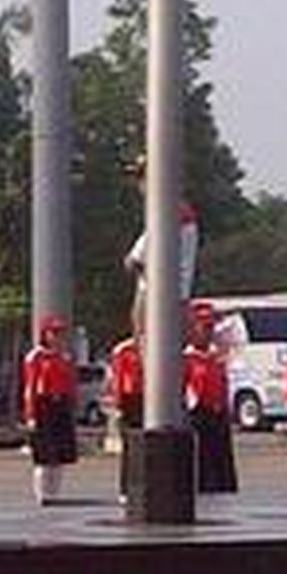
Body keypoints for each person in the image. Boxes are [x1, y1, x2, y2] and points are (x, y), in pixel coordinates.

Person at [122, 154, 200, 339]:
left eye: (143, 177)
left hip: (160, 292)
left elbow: (133, 262)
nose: (139, 185)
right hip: (170, 292)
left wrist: (134, 260)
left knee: (148, 336)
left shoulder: (168, 211)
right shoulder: (171, 210)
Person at [22, 315, 78, 506]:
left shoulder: (65, 357)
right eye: (53, 333)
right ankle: (42, 493)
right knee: (44, 455)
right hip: (43, 405)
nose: (57, 337)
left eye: (60, 333)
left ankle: (55, 492)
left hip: (60, 406)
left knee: (60, 454)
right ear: (44, 334)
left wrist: (71, 406)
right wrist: (30, 415)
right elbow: (30, 388)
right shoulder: (35, 357)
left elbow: (70, 385)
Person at [184, 302, 238, 493]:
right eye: (204, 327)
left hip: (219, 415)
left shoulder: (216, 358)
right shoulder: (186, 359)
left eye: (211, 327)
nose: (209, 332)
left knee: (222, 457)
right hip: (199, 415)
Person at [108, 334, 144, 497]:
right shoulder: (124, 350)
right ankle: (127, 489)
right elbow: (117, 380)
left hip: (151, 398)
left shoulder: (159, 345)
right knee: (131, 448)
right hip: (131, 401)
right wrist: (118, 406)